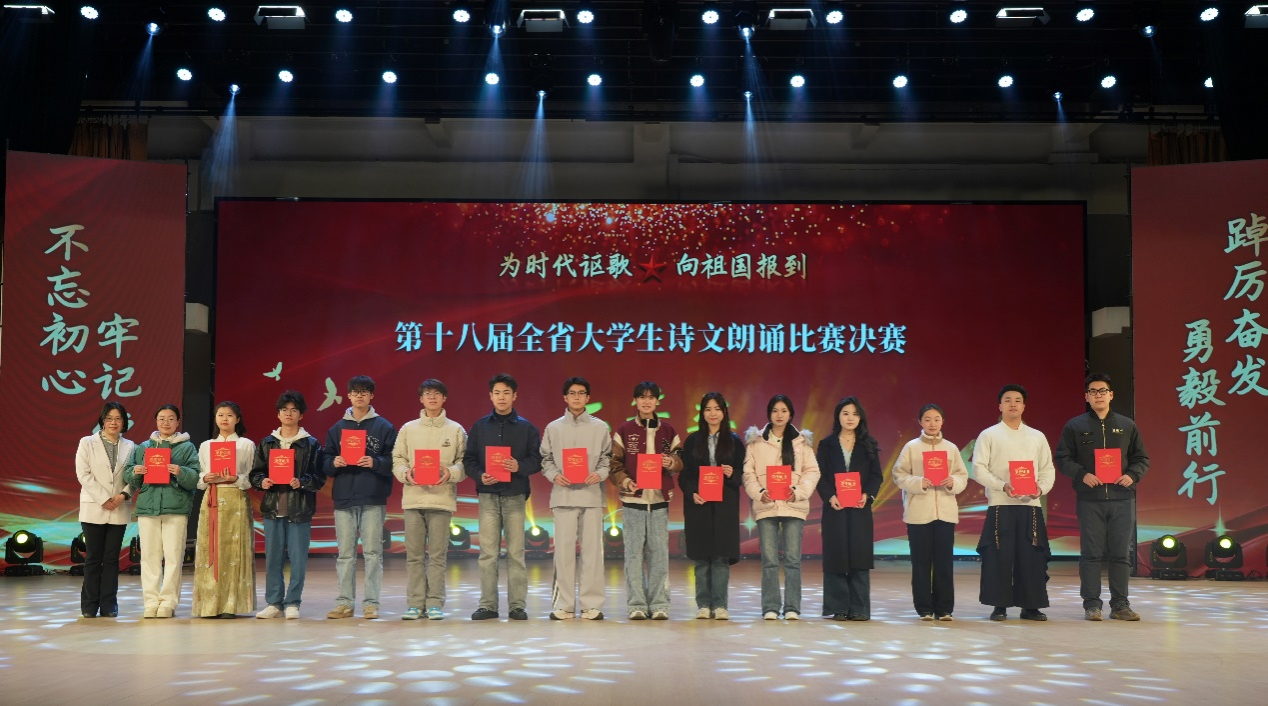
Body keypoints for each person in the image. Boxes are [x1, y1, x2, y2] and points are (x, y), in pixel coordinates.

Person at [1056, 373, 1150, 622]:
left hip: (1122, 498)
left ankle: (1120, 605)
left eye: (1102, 391)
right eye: (1093, 391)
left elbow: (1141, 458)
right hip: (1090, 499)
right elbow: (1063, 458)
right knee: (1091, 554)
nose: (1098, 395)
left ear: (1111, 395)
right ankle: (1092, 605)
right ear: (1086, 397)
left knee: (1120, 554)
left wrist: (1132, 475)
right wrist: (1082, 474)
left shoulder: (1127, 425)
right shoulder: (1075, 426)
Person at [971, 384, 1056, 622]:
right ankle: (999, 605)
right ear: (1000, 406)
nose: (1012, 404)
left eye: (1017, 400)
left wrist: (1041, 488)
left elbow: (1047, 469)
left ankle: (1031, 606)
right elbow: (979, 468)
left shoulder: (1037, 436)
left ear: (1024, 406)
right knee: (998, 555)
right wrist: (1002, 485)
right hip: (1001, 503)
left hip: (1030, 505)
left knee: (1031, 556)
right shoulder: (989, 434)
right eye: (1007, 400)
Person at [463, 373, 542, 621]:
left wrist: (518, 466)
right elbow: (469, 460)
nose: (501, 397)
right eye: (497, 392)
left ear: (514, 396)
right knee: (488, 553)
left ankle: (517, 605)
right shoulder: (479, 427)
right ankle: (488, 605)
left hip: (515, 496)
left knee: (516, 553)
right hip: (488, 496)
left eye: (506, 392)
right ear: (490, 396)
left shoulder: (527, 428)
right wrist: (480, 475)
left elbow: (537, 460)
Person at [321, 375, 397, 620]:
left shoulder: (384, 427)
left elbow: (394, 461)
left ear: (371, 396)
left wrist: (375, 462)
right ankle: (344, 602)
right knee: (345, 554)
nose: (360, 395)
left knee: (373, 553)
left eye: (364, 391)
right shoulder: (337, 428)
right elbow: (325, 461)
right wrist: (333, 462)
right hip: (344, 497)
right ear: (349, 396)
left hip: (373, 496)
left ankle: (371, 603)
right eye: (355, 391)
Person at [392, 378, 467, 621]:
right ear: (421, 399)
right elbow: (398, 459)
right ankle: (415, 603)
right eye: (427, 393)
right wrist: (405, 473)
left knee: (437, 556)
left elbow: (463, 462)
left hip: (441, 500)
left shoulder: (455, 430)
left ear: (444, 398)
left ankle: (434, 603)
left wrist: (450, 473)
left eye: (437, 394)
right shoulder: (408, 429)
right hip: (413, 500)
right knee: (414, 556)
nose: (432, 397)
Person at [608, 381, 683, 621]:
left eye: (651, 397)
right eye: (642, 397)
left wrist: (671, 462)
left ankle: (660, 604)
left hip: (659, 500)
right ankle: (636, 605)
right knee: (633, 555)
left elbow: (680, 459)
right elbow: (614, 465)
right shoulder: (624, 430)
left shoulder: (668, 430)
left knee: (659, 554)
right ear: (635, 401)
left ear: (657, 401)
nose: (646, 401)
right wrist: (626, 482)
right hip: (633, 500)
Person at [742, 394, 820, 621]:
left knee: (793, 560)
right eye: (775, 410)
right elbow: (748, 473)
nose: (779, 415)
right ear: (769, 414)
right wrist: (759, 492)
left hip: (793, 506)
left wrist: (798, 491)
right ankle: (770, 607)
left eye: (784, 411)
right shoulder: (756, 442)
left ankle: (792, 607)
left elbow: (812, 471)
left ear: (790, 414)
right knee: (769, 560)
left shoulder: (801, 442)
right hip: (766, 506)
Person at [541, 376, 613, 621]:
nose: (576, 397)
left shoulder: (600, 427)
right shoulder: (553, 428)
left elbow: (607, 458)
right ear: (565, 397)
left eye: (581, 393)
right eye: (572, 393)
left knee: (593, 553)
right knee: (563, 554)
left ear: (588, 398)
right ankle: (564, 604)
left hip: (591, 496)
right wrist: (554, 475)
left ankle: (592, 604)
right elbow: (545, 459)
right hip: (563, 496)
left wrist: (599, 474)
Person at [249, 390, 325, 619]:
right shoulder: (267, 443)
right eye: (284, 410)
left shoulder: (311, 444)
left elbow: (319, 478)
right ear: (278, 414)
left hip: (299, 509)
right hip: (273, 508)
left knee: (298, 559)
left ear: (301, 415)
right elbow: (255, 474)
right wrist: (262, 481)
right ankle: (274, 602)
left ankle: (293, 602)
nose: (288, 414)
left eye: (293, 410)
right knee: (273, 558)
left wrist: (302, 482)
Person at [891, 403, 969, 621]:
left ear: (942, 422)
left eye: (936, 419)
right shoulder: (911, 447)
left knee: (944, 562)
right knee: (921, 563)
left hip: (945, 513)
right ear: (920, 422)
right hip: (918, 513)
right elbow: (898, 474)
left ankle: (944, 609)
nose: (932, 423)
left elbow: (962, 476)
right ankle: (924, 608)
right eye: (927, 419)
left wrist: (953, 482)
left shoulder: (951, 448)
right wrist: (918, 482)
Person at [122, 404, 200, 619]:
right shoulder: (144, 447)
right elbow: (129, 475)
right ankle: (151, 601)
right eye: (162, 418)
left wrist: (180, 471)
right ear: (156, 421)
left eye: (171, 418)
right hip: (148, 508)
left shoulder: (187, 447)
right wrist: (135, 471)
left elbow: (195, 477)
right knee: (149, 557)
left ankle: (168, 602)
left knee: (173, 557)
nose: (166, 422)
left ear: (178, 422)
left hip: (176, 508)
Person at [678, 392, 746, 620]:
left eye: (717, 409)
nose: (712, 413)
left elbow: (744, 474)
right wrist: (692, 493)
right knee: (702, 557)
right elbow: (685, 475)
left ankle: (720, 605)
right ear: (702, 413)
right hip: (700, 504)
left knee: (720, 557)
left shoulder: (734, 441)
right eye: (708, 409)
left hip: (725, 506)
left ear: (724, 412)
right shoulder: (692, 441)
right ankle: (703, 605)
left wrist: (732, 473)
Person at [815, 397, 884, 621]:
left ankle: (859, 608)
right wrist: (830, 497)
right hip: (834, 507)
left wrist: (867, 495)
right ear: (838, 416)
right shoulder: (826, 444)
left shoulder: (868, 444)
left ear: (860, 417)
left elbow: (876, 476)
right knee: (836, 555)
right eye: (845, 413)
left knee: (859, 556)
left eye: (855, 414)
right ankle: (839, 608)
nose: (850, 418)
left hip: (859, 508)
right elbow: (819, 476)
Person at [192, 402, 258, 618]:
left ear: (237, 419)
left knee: (234, 550)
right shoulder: (206, 446)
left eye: (230, 415)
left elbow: (251, 477)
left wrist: (236, 478)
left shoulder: (246, 445)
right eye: (220, 415)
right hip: (212, 498)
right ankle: (209, 605)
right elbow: (199, 476)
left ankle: (231, 605)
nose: (225, 419)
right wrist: (206, 477)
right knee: (210, 548)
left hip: (236, 498)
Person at [75, 401, 138, 618]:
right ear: (102, 420)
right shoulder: (87, 442)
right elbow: (83, 474)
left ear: (124, 422)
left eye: (118, 419)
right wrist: (103, 499)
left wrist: (123, 496)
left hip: (119, 507)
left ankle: (109, 604)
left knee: (111, 559)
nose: (113, 422)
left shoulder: (131, 446)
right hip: (94, 507)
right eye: (109, 418)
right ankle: (89, 605)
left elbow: (135, 476)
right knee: (93, 558)